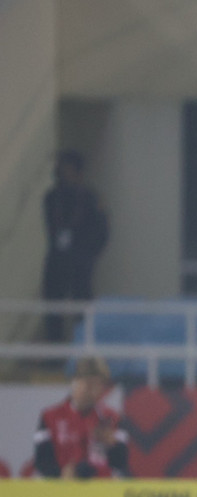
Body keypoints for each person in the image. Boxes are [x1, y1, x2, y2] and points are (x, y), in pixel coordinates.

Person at [42, 151, 109, 342]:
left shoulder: (90, 198)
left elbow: (102, 232)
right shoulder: (52, 198)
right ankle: (54, 348)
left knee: (82, 306)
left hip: (81, 260)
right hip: (57, 260)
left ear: (79, 173)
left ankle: (83, 346)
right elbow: (53, 227)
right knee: (53, 305)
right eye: (62, 171)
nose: (65, 175)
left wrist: (88, 256)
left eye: (69, 170)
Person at [32, 357, 128, 479]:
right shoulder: (50, 417)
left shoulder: (112, 418)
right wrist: (60, 474)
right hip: (62, 487)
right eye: (89, 384)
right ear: (75, 382)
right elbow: (41, 461)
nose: (94, 391)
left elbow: (121, 464)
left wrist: (112, 445)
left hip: (101, 487)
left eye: (99, 385)